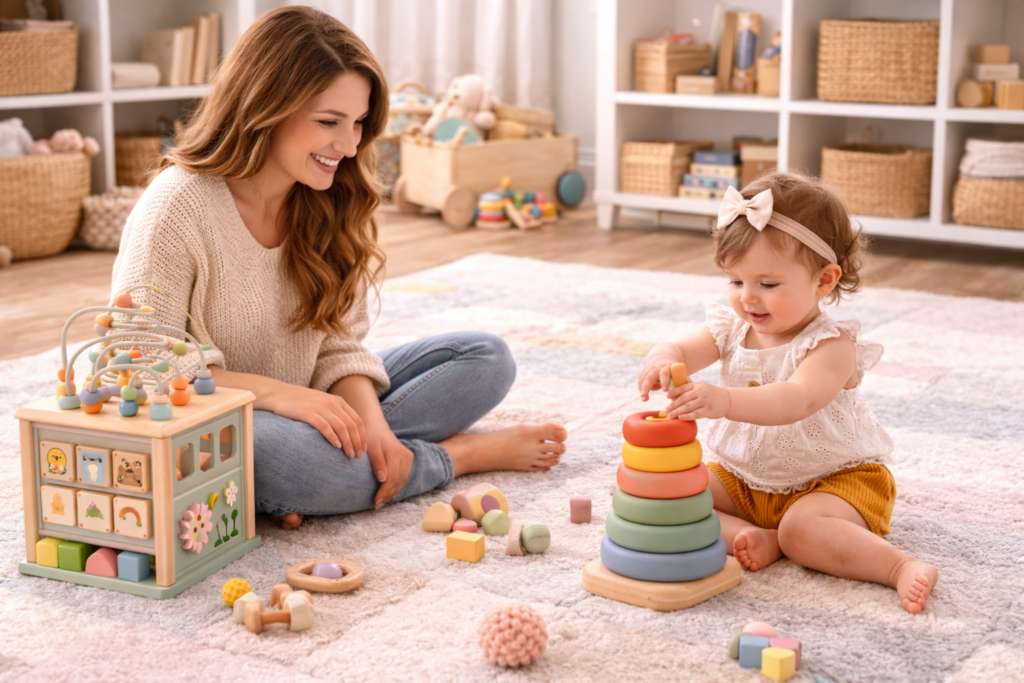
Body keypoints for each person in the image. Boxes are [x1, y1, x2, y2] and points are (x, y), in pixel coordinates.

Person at [111, 6, 565, 530]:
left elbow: (338, 344)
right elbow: (140, 366)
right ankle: (457, 457)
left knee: (486, 358)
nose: (348, 147)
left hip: (313, 406)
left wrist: (373, 427)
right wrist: (283, 396)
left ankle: (360, 465)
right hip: (224, 422)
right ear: (265, 106)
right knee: (283, 458)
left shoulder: (325, 200)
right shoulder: (176, 207)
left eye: (357, 124)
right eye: (329, 123)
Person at [637, 173, 938, 614]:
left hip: (834, 482)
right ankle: (757, 534)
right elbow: (683, 348)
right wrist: (661, 358)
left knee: (805, 531)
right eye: (736, 282)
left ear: (824, 280)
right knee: (663, 491)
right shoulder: (732, 326)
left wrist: (724, 401)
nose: (747, 299)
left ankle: (898, 567)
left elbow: (797, 399)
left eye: (767, 284)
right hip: (745, 479)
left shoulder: (832, 345)